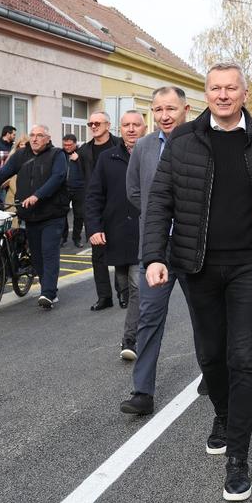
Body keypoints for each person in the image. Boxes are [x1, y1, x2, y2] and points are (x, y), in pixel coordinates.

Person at [142, 63, 252, 503]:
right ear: (206, 93)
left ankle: (238, 459)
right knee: (211, 356)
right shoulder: (183, 140)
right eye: (215, 88)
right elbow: (161, 202)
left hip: (250, 266)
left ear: (244, 93)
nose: (223, 95)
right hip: (197, 266)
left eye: (231, 88)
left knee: (242, 357)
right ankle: (224, 415)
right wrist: (155, 256)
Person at [121, 86, 204, 414]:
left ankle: (210, 372)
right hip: (154, 248)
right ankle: (143, 392)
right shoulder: (142, 146)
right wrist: (160, 217)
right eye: (158, 110)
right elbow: (133, 190)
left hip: (193, 246)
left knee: (204, 316)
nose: (164, 116)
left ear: (186, 109)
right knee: (149, 317)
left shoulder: (202, 144)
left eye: (171, 108)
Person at [0, 125, 67, 309]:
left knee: (48, 252)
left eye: (39, 136)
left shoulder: (57, 155)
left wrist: (38, 195)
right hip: (30, 215)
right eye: (32, 135)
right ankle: (47, 288)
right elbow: (1, 175)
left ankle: (49, 293)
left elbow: (58, 177)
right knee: (37, 256)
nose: (35, 139)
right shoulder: (21, 155)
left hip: (52, 214)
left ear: (47, 138)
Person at [86, 111, 146, 359]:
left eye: (136, 125)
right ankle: (125, 301)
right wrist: (94, 227)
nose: (131, 129)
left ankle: (129, 341)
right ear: (120, 129)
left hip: (144, 232)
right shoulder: (107, 158)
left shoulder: (154, 154)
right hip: (116, 232)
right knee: (123, 283)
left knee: (136, 287)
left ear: (144, 127)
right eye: (126, 125)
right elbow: (94, 195)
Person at [79, 111, 126, 310]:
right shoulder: (84, 151)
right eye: (90, 123)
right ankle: (104, 297)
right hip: (95, 207)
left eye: (97, 123)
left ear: (108, 125)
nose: (93, 126)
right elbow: (81, 179)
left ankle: (123, 294)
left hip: (118, 205)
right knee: (97, 255)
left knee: (120, 251)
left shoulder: (120, 146)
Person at [60, 134, 85, 248]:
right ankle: (63, 237)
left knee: (79, 215)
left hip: (80, 188)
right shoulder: (60, 154)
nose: (67, 147)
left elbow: (88, 168)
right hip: (64, 188)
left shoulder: (82, 154)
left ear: (75, 144)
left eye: (70, 145)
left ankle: (76, 238)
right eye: (65, 145)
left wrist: (78, 159)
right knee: (62, 213)